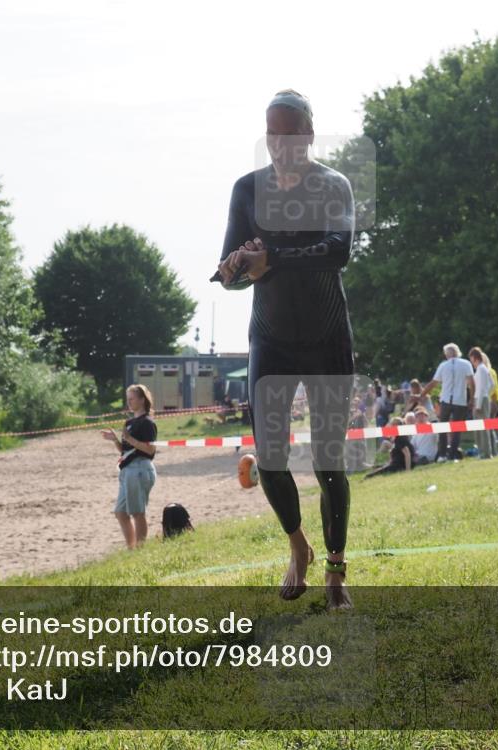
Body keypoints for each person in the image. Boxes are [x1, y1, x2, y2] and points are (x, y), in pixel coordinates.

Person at [212, 89, 355, 610]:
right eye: (272, 132)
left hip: (326, 339)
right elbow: (231, 272)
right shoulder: (246, 189)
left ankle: (337, 573)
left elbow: (338, 252)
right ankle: (299, 546)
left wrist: (270, 258)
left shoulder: (333, 184)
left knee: (328, 462)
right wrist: (234, 268)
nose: (280, 143)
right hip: (270, 340)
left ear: (309, 134)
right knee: (271, 460)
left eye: (290, 132)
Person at [102, 384, 157, 549]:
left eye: (132, 398)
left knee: (137, 512)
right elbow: (125, 450)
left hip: (140, 469)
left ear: (142, 399)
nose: (129, 402)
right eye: (128, 399)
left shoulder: (147, 422)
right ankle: (132, 548)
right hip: (128, 469)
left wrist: (130, 439)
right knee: (120, 512)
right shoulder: (129, 422)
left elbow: (150, 449)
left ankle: (140, 549)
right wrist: (115, 440)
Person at [420, 343, 474, 462]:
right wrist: (472, 399)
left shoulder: (443, 365)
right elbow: (471, 383)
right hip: (460, 401)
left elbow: (433, 383)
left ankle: (442, 455)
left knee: (443, 428)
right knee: (456, 429)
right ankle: (453, 455)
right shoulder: (466, 364)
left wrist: (422, 394)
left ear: (446, 354)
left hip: (445, 401)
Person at [468, 347, 497, 459]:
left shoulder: (480, 369)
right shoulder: (484, 369)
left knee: (482, 428)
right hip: (484, 398)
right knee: (485, 427)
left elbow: (480, 389)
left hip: (480, 399)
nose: (471, 362)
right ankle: (488, 452)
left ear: (474, 358)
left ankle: (485, 453)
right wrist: (487, 395)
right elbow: (492, 385)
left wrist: (478, 404)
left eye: (471, 359)